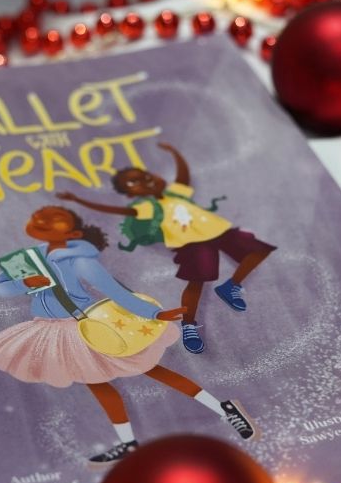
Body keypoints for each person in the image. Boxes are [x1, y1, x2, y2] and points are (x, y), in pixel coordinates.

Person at [0, 206, 257, 465]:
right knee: (98, 385)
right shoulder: (29, 258)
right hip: (52, 329)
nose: (40, 223)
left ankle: (223, 408)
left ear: (72, 234)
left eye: (50, 224)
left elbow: (117, 293)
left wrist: (155, 314)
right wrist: (24, 283)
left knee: (152, 370)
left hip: (88, 326)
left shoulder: (80, 262)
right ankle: (128, 443)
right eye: (39, 221)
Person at [57, 142, 276, 355]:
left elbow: (183, 177)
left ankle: (231, 286)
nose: (146, 180)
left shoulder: (176, 194)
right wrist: (78, 199)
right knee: (197, 282)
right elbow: (117, 210)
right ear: (131, 195)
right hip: (191, 243)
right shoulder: (145, 207)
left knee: (258, 250)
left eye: (145, 175)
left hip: (220, 230)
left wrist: (175, 154)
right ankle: (189, 325)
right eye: (134, 182)